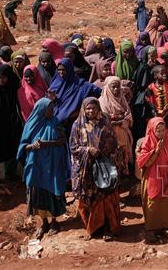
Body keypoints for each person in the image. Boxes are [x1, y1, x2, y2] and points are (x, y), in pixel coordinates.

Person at [69, 98, 125, 240]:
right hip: (86, 169)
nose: (90, 111)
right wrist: (88, 150)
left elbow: (113, 142)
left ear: (98, 108)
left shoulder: (105, 121)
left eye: (93, 108)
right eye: (88, 108)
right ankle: (93, 228)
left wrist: (104, 153)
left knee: (105, 195)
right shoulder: (77, 125)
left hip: (104, 167)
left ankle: (108, 228)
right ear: (83, 109)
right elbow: (73, 147)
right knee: (89, 198)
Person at [17, 98, 69, 239]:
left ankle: (54, 222)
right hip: (37, 167)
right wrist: (33, 146)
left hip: (52, 165)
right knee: (38, 194)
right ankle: (44, 222)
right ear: (41, 110)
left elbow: (63, 140)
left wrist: (49, 143)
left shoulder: (55, 122)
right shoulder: (31, 125)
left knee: (52, 192)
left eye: (52, 109)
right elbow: (23, 146)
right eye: (49, 109)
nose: (52, 112)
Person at [136, 117, 168, 243]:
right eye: (158, 131)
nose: (161, 133)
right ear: (152, 130)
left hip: (166, 174)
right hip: (153, 176)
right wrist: (156, 151)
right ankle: (152, 228)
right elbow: (143, 162)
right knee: (154, 200)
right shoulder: (146, 142)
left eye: (163, 130)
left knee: (167, 201)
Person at [0, 64, 22, 180]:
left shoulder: (14, 88)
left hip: (12, 126)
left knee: (13, 148)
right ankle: (1, 176)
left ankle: (14, 173)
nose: (0, 80)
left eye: (3, 77)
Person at [49, 59, 101, 129]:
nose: (61, 72)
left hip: (73, 121)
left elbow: (97, 91)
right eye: (59, 70)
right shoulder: (55, 83)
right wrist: (53, 99)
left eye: (63, 70)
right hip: (55, 119)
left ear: (69, 69)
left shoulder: (80, 85)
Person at [99, 76, 133, 173]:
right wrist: (119, 120)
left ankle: (124, 175)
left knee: (123, 153)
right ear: (107, 87)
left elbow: (129, 116)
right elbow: (104, 120)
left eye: (118, 86)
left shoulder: (122, 99)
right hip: (110, 135)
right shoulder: (102, 101)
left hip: (123, 133)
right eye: (113, 87)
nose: (116, 89)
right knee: (113, 155)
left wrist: (120, 120)